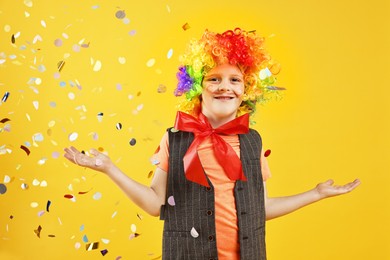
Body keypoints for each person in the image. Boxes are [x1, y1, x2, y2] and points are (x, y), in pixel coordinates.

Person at [64, 28, 360, 260]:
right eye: (214, 79)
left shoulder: (253, 142)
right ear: (196, 86)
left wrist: (316, 194)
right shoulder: (175, 139)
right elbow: (156, 204)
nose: (225, 87)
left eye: (235, 80)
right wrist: (109, 169)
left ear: (247, 90)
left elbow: (261, 208)